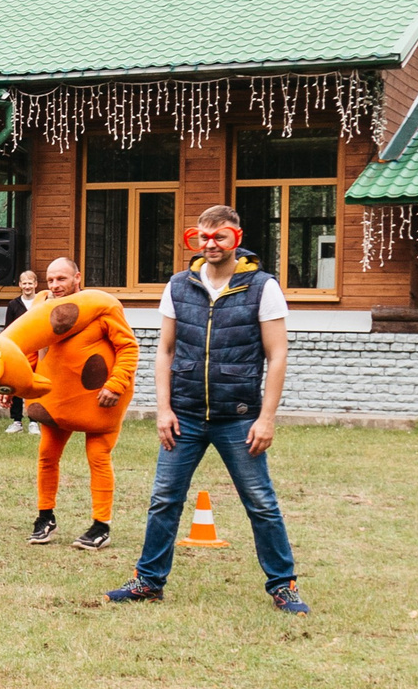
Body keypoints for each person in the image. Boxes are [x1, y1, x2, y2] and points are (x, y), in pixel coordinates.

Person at [108, 205, 310, 613]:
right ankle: (148, 581)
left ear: (237, 238)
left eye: (220, 236)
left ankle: (283, 585)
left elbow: (278, 355)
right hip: (183, 416)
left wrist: (266, 418)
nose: (211, 243)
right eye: (203, 236)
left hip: (239, 416)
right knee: (164, 500)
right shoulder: (179, 285)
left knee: (261, 502)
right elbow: (165, 351)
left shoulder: (262, 287)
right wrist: (163, 409)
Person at [0, 256, 138, 551]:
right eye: (50, 280)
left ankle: (101, 526)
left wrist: (116, 384)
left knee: (98, 457)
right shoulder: (41, 310)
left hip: (97, 400)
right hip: (55, 399)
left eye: (61, 279)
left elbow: (128, 347)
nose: (55, 285)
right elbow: (29, 354)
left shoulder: (101, 308)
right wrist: (12, 387)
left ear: (77, 278)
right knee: (47, 457)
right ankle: (45, 517)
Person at [0, 269, 43, 433]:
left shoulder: (42, 303)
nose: (27, 286)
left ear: (35, 284)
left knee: (33, 384)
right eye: (24, 283)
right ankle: (16, 421)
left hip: (37, 348)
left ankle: (34, 421)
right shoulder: (13, 305)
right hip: (18, 350)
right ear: (19, 284)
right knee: (16, 383)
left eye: (30, 283)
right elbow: (8, 329)